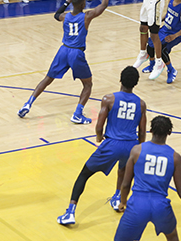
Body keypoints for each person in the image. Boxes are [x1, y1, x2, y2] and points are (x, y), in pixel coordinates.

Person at [57, 66, 147, 225]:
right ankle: (118, 198)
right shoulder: (141, 104)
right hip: (132, 145)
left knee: (84, 174)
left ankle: (70, 212)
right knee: (123, 171)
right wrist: (139, 149)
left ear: (120, 79)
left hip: (112, 143)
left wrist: (99, 137)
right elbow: (142, 131)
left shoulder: (109, 99)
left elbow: (99, 125)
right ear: (136, 83)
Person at [17, 0, 113, 124]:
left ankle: (27, 104)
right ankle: (77, 113)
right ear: (82, 5)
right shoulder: (86, 16)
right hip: (76, 53)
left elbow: (56, 15)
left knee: (47, 79)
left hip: (63, 50)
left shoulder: (66, 16)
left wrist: (66, 1)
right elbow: (104, 5)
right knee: (88, 84)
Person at [114, 115, 181, 241]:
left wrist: (123, 202)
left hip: (138, 204)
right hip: (160, 206)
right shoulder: (175, 157)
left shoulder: (136, 151)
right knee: (172, 236)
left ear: (150, 130)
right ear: (170, 132)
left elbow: (125, 183)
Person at [141, 0, 181, 84]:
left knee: (163, 50)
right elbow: (168, 15)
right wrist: (158, 22)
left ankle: (171, 70)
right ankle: (152, 64)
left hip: (176, 34)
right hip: (165, 29)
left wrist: (174, 36)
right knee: (150, 44)